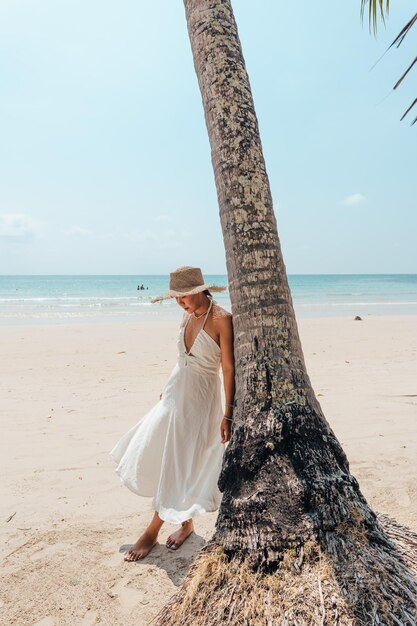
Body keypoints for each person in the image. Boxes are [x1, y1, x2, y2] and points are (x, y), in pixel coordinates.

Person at [110, 266, 235, 561]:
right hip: (175, 394)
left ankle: (152, 530)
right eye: (176, 299)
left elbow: (228, 368)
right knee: (161, 451)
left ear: (198, 291)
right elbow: (182, 359)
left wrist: (229, 413)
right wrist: (167, 387)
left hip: (199, 400)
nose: (180, 303)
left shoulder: (222, 319)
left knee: (179, 461)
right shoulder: (187, 315)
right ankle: (186, 523)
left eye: (183, 297)